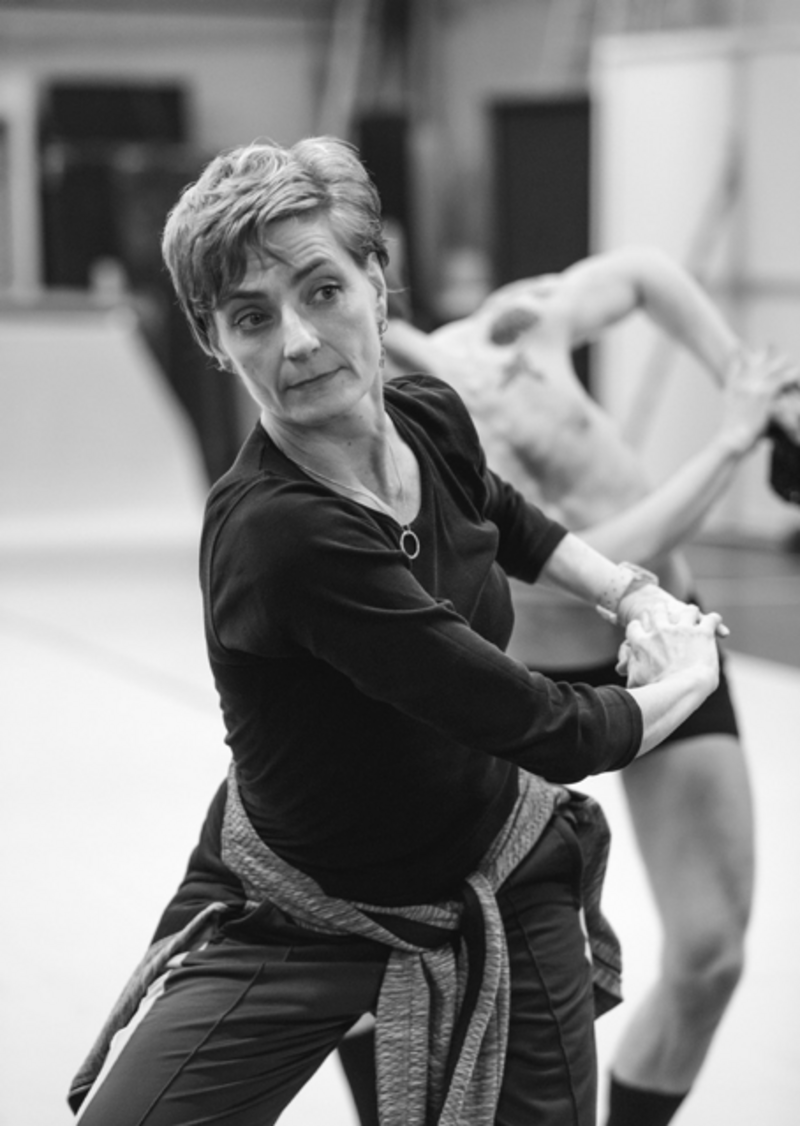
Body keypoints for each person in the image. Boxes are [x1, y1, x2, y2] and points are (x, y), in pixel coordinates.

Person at [69, 138, 726, 1126]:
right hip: (299, 905)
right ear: (214, 341)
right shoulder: (283, 535)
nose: (298, 341)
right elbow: (545, 726)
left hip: (497, 865)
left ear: (378, 286)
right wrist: (687, 671)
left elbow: (503, 513)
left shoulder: (427, 415)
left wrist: (629, 595)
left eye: (322, 290)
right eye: (252, 316)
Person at [383, 248, 800, 1126]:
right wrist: (731, 439)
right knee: (474, 974)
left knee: (711, 955)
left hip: (665, 643)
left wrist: (744, 381)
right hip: (528, 685)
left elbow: (646, 275)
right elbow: (582, 562)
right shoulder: (398, 430)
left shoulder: (514, 332)